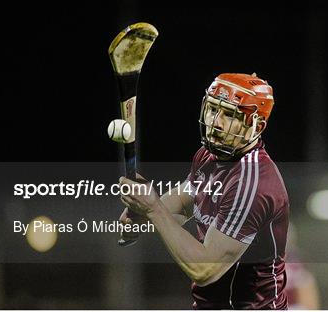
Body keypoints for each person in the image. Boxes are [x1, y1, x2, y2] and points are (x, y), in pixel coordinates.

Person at [118, 73, 290, 309]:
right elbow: (184, 201)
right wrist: (142, 215)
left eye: (229, 115)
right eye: (212, 110)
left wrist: (154, 209)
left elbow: (205, 269)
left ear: (256, 126)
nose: (215, 122)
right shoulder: (208, 156)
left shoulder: (253, 183)